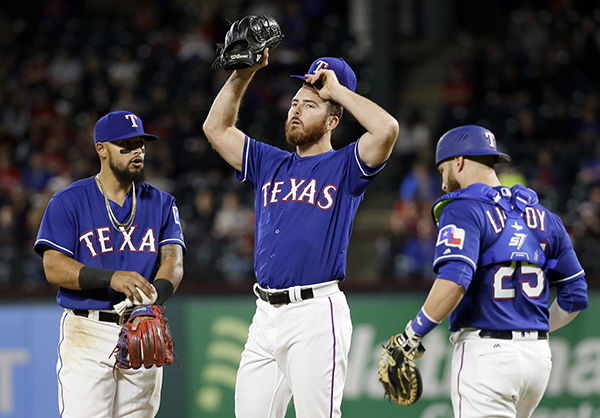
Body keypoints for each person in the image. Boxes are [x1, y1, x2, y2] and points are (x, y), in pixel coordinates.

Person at [203, 51, 398, 417]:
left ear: (331, 120)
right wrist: (243, 73)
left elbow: (387, 129)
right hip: (264, 315)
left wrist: (337, 90)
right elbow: (215, 129)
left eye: (309, 105)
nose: (295, 110)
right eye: (294, 103)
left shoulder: (345, 166)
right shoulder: (269, 161)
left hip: (315, 314)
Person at [389, 125, 588, 417]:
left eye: (443, 170)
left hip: (487, 356)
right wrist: (533, 329)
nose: (443, 184)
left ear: (458, 162)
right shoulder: (543, 216)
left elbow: (454, 281)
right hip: (537, 360)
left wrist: (410, 336)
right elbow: (576, 295)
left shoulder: (463, 208)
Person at [34, 110, 186, 417]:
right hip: (87, 329)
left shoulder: (161, 202)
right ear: (100, 149)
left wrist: (148, 304)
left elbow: (174, 262)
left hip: (141, 325)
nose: (137, 151)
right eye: (126, 145)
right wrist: (110, 277)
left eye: (140, 144)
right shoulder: (68, 201)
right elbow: (53, 267)